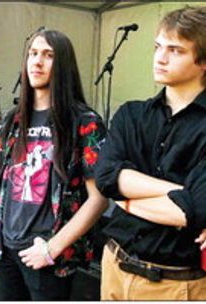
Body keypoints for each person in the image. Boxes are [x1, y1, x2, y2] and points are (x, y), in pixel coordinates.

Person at [0, 30, 107, 301]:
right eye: (33, 54)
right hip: (5, 249)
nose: (37, 62)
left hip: (48, 254)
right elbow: (0, 185)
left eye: (48, 55)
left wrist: (51, 249)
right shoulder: (14, 120)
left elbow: (99, 199)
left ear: (64, 64)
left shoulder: (85, 121)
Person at [95, 6, 206, 300]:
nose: (160, 57)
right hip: (115, 267)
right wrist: (184, 193)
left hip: (175, 284)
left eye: (176, 50)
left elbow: (189, 212)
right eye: (158, 47)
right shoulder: (130, 115)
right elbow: (106, 177)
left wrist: (125, 198)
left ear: (203, 61)